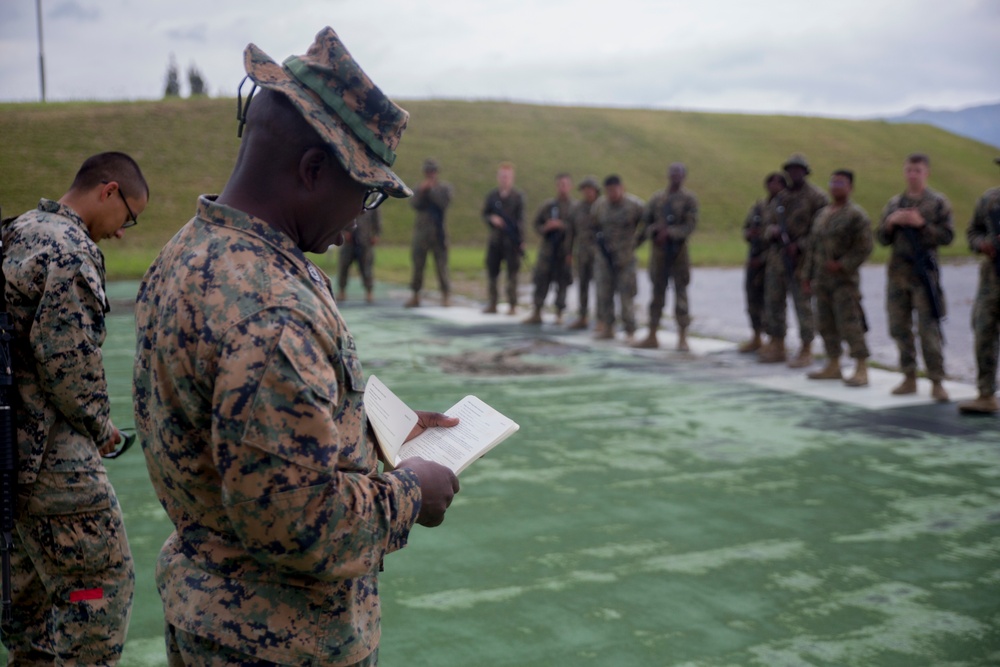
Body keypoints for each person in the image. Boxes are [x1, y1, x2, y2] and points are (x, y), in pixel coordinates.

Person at [133, 27, 460, 666]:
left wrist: (376, 433)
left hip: (216, 620)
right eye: (364, 192)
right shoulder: (273, 310)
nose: (362, 215)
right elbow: (296, 520)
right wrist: (412, 492)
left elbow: (242, 433)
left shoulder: (191, 251)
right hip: (281, 643)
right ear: (312, 170)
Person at [1, 152, 147, 664]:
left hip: (11, 460)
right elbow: (66, 362)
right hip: (53, 464)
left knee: (33, 600)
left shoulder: (20, 229)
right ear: (109, 191)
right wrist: (100, 425)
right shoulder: (68, 249)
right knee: (99, 589)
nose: (124, 231)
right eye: (128, 217)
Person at [876, 152, 954, 401]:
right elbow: (881, 239)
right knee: (899, 326)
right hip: (898, 272)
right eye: (909, 170)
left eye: (917, 170)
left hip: (924, 274)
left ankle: (936, 380)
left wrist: (921, 224)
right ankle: (908, 375)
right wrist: (890, 223)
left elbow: (948, 237)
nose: (912, 175)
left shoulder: (937, 202)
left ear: (926, 173)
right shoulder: (894, 203)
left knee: (928, 329)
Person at [801, 169, 873, 386]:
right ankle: (833, 364)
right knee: (825, 323)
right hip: (822, 280)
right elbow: (812, 249)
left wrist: (843, 264)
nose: (835, 186)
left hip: (844, 281)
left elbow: (865, 247)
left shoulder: (856, 215)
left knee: (850, 323)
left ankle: (861, 366)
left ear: (850, 187)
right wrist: (806, 276)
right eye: (833, 182)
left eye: (840, 183)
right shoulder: (822, 215)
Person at [758, 153, 829, 367]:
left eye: (798, 170)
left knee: (802, 305)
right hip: (777, 258)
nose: (793, 174)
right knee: (773, 302)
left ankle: (806, 348)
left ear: (805, 172)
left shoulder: (817, 197)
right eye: (790, 170)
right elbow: (765, 225)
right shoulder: (780, 197)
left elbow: (822, 231)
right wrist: (772, 232)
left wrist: (800, 245)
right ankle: (777, 344)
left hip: (802, 261)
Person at [633, 163, 699, 350]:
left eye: (678, 174)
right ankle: (652, 333)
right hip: (659, 253)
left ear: (684, 176)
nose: (675, 177)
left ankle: (682, 336)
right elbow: (645, 223)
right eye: (672, 173)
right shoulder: (657, 199)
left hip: (679, 254)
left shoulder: (689, 199)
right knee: (657, 293)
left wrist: (670, 232)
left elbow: (690, 225)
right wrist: (654, 231)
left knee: (681, 294)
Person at [957, 157, 1000, 414]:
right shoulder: (989, 200)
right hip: (990, 282)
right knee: (983, 332)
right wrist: (982, 243)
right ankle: (985, 394)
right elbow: (972, 231)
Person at [591, 174, 644, 341]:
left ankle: (630, 330)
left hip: (625, 259)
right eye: (609, 191)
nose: (612, 194)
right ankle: (608, 327)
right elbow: (593, 225)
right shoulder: (600, 205)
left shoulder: (634, 205)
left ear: (622, 188)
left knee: (626, 295)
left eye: (615, 190)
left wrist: (636, 242)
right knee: (604, 293)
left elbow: (648, 223)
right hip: (605, 258)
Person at [738, 172, 786, 353]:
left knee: (771, 301)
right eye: (771, 182)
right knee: (752, 297)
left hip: (771, 260)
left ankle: (772, 338)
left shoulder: (782, 207)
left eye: (778, 183)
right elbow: (746, 228)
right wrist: (749, 234)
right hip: (754, 256)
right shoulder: (759, 206)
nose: (774, 186)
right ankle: (756, 336)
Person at [524, 172, 575, 325]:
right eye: (560, 184)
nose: (562, 188)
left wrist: (562, 225)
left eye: (565, 184)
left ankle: (559, 313)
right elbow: (536, 224)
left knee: (562, 283)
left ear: (570, 186)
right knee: (541, 280)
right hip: (547, 250)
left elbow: (579, 229)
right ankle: (537, 311)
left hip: (565, 251)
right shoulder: (548, 206)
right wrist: (545, 228)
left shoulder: (575, 207)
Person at [405, 158, 453, 308]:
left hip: (438, 233)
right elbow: (414, 204)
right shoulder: (419, 188)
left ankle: (445, 295)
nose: (430, 174)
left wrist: (431, 190)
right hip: (422, 233)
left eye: (432, 171)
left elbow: (443, 203)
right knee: (418, 265)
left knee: (441, 266)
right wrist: (422, 190)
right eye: (428, 171)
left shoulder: (444, 188)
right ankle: (415, 295)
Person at [482, 162, 526, 314]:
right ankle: (493, 303)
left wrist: (521, 241)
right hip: (495, 241)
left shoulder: (517, 197)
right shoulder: (492, 196)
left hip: (511, 241)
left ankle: (512, 304)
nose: (504, 179)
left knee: (512, 273)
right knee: (492, 272)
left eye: (507, 176)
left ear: (511, 178)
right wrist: (492, 219)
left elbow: (521, 220)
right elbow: (485, 214)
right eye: (502, 176)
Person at [567, 176, 601, 330]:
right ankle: (583, 317)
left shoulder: (603, 206)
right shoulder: (577, 208)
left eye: (590, 189)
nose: (587, 193)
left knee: (601, 286)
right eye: (585, 190)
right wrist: (569, 252)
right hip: (582, 252)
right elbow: (571, 232)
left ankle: (602, 319)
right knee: (583, 285)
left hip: (599, 253)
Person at [336, 207, 381, 303]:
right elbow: (339, 218)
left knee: (366, 267)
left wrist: (376, 235)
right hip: (349, 242)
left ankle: (369, 292)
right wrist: (343, 232)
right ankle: (342, 291)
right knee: (344, 266)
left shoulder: (371, 202)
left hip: (364, 240)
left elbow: (377, 220)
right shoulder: (347, 201)